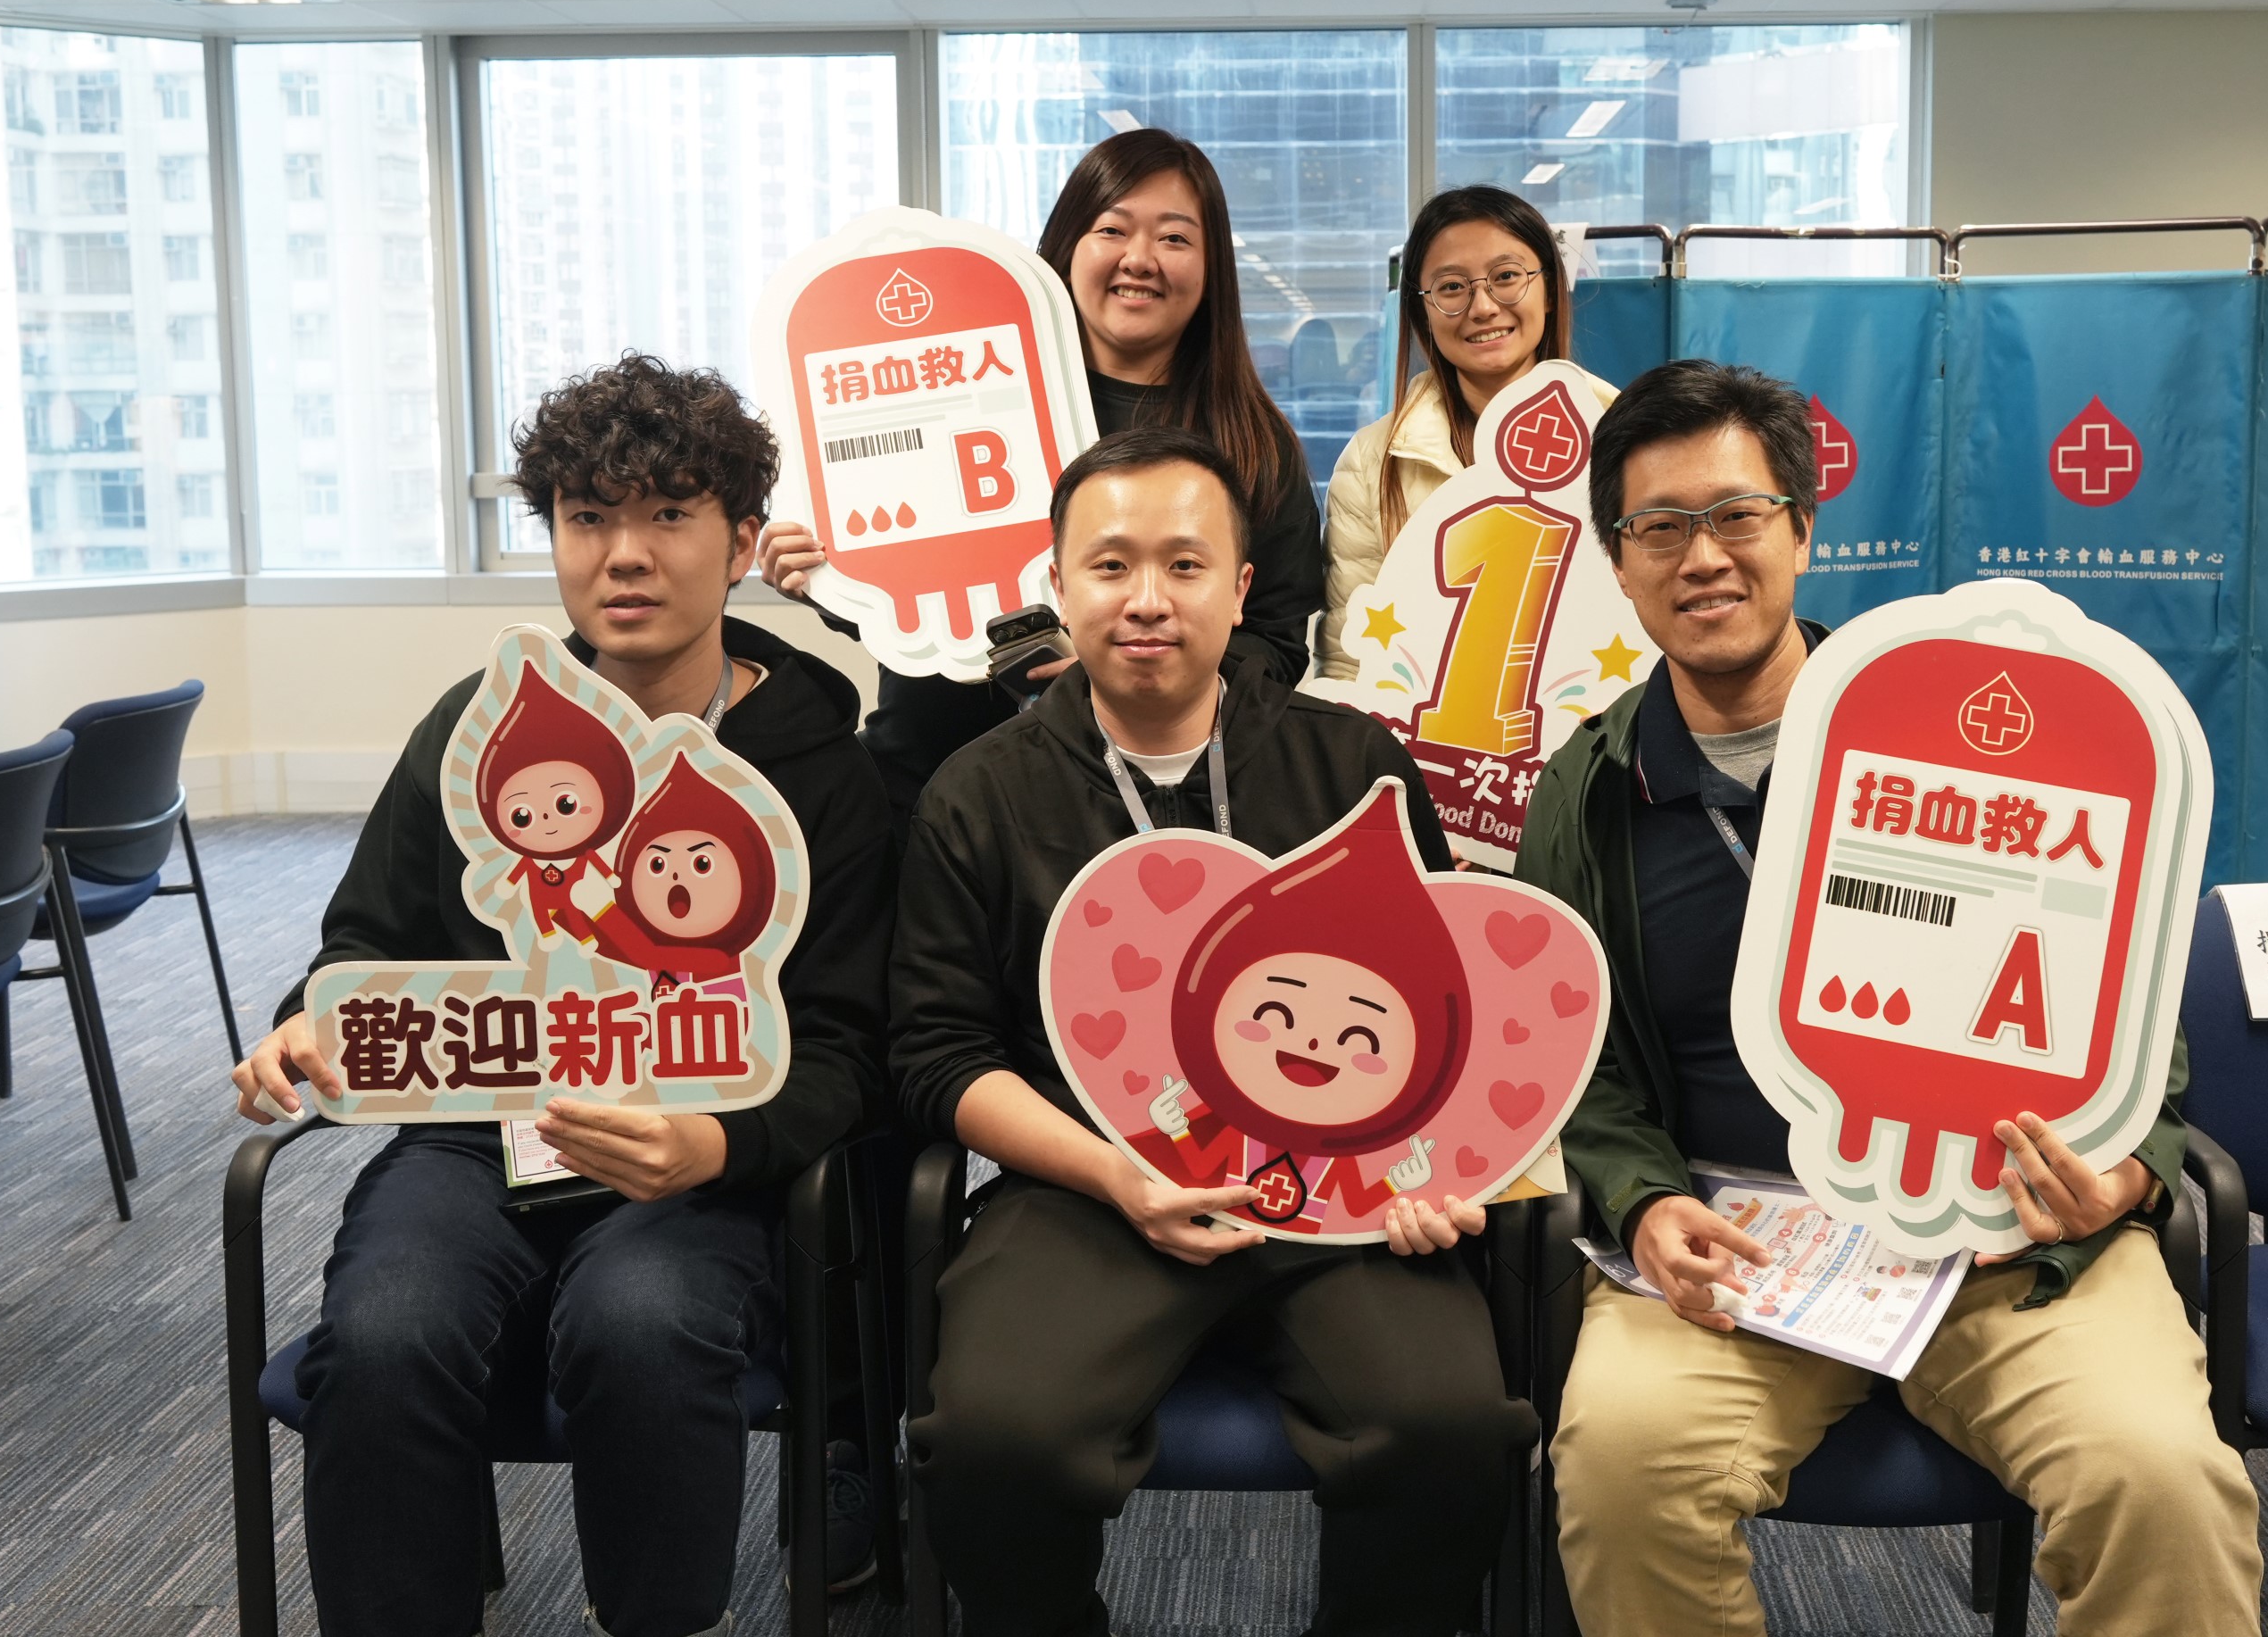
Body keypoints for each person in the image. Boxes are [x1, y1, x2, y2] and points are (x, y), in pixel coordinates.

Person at [1512, 361, 2263, 1637]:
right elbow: (1576, 1061)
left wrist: (2127, 1170)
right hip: (1737, 1238)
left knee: (2163, 1481)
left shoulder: (1962, 732)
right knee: (1623, 1470)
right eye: (1662, 527)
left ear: (1804, 529)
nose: (1705, 557)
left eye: (1738, 515)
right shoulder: (1590, 792)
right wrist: (1643, 1203)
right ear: (1620, 563)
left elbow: (2129, 1012)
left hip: (2000, 1233)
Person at [227, 353, 895, 1637]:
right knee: (383, 1334)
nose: (624, 554)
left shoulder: (817, 772)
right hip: (479, 1142)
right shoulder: (473, 732)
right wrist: (310, 1023)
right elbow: (365, 942)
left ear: (742, 543)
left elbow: (847, 1051)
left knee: (643, 1323)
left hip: (699, 1156)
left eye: (670, 514)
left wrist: (713, 1145)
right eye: (588, 517)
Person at [891, 428, 1534, 1635]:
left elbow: (1446, 1021)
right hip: (1088, 1184)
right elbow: (939, 1056)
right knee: (994, 1437)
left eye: (1185, 565)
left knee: (1446, 1425)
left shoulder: (1352, 766)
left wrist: (1436, 1175)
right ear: (1058, 584)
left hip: (1342, 1189)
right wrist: (1117, 1175)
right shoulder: (979, 791)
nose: (1148, 599)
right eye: (1111, 565)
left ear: (1241, 589)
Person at [762, 128, 1326, 825]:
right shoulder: (952, 383)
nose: (1140, 258)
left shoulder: (1251, 443)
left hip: (1146, 805)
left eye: (1175, 238)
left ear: (1213, 268)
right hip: (930, 780)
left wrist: (1141, 668)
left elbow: (1275, 644)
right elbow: (917, 607)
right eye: (1112, 229)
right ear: (1065, 245)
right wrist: (827, 579)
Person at [1318, 186, 1610, 678]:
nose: (1483, 307)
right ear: (1422, 311)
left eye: (1507, 276)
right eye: (1452, 287)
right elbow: (1352, 664)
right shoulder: (1372, 461)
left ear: (1549, 290)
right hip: (1420, 726)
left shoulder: (1624, 435)